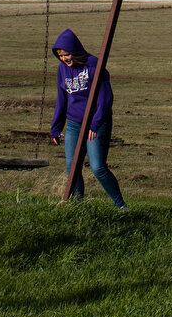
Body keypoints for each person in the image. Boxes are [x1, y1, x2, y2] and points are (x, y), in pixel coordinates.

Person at [49, 28, 126, 209]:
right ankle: (78, 205)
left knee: (98, 167)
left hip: (95, 123)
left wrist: (96, 123)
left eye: (66, 55)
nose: (64, 59)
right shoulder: (62, 69)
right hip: (74, 124)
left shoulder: (94, 66)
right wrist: (56, 127)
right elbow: (62, 99)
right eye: (60, 56)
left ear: (74, 51)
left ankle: (121, 206)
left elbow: (105, 99)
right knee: (71, 166)